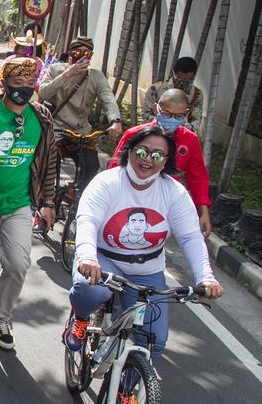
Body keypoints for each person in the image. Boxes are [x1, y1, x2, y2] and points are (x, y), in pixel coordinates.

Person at [63, 125, 224, 363]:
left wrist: (206, 277)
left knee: (154, 341)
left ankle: (127, 394)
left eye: (157, 155)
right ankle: (80, 317)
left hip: (146, 271)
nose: (148, 159)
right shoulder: (107, 182)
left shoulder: (174, 193)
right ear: (129, 151)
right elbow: (88, 220)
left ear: (166, 161)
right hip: (104, 260)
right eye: (142, 152)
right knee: (91, 291)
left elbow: (190, 236)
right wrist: (88, 256)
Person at [0, 57, 57, 349]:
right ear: (3, 84)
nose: (24, 89)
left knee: (18, 264)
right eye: (18, 83)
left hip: (19, 204)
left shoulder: (41, 117)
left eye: (30, 84)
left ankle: (0, 317)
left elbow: (49, 160)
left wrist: (48, 201)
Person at [112, 88, 213, 237]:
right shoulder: (134, 135)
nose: (172, 119)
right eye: (166, 114)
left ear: (186, 115)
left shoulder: (189, 140)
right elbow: (114, 170)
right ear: (156, 109)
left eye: (178, 116)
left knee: (152, 242)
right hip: (129, 197)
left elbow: (197, 177)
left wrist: (203, 211)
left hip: (164, 204)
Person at [38, 36, 123, 190]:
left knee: (91, 165)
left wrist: (115, 121)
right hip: (56, 128)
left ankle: (77, 196)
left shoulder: (96, 76)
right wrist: (68, 73)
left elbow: (108, 98)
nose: (83, 56)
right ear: (70, 53)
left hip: (80, 131)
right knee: (49, 163)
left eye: (87, 53)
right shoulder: (55, 70)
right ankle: (48, 197)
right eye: (78, 52)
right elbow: (43, 93)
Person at [142, 56, 204, 132]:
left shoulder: (196, 94)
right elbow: (146, 114)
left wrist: (183, 127)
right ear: (173, 73)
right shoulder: (156, 89)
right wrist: (161, 123)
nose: (183, 83)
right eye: (179, 79)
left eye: (187, 80)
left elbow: (196, 120)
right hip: (155, 131)